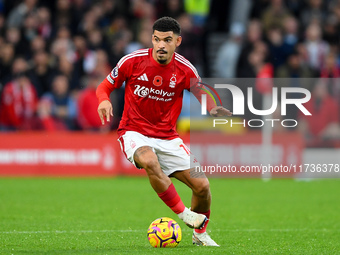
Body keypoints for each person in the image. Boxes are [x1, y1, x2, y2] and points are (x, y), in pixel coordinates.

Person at [96, 17, 231, 246]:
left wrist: (212, 108)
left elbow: (200, 91)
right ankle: (183, 214)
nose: (161, 45)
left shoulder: (185, 68)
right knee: (150, 161)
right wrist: (103, 100)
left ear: (177, 41)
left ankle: (199, 235)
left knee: (202, 186)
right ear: (152, 39)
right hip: (133, 131)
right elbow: (105, 86)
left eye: (167, 40)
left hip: (168, 136)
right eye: (157, 39)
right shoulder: (133, 61)